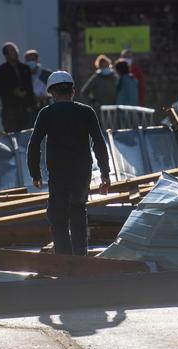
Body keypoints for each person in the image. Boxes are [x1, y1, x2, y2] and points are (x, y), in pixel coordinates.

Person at [27, 71, 111, 256]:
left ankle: (63, 260)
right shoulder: (86, 112)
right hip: (82, 173)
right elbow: (99, 143)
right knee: (79, 211)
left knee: (58, 216)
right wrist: (105, 173)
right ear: (73, 91)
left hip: (58, 173)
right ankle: (80, 258)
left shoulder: (47, 113)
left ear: (51, 93)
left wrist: (35, 174)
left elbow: (34, 144)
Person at [0, 42, 35, 133]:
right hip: (10, 111)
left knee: (26, 136)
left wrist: (30, 105)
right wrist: (13, 91)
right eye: (12, 51)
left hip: (24, 110)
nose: (15, 52)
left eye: (15, 50)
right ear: (6, 55)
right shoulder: (1, 70)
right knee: (12, 137)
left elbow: (29, 88)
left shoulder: (24, 68)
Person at [24, 49, 52, 126]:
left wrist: (45, 97)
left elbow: (53, 93)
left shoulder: (47, 74)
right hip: (28, 112)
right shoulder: (23, 75)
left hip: (43, 108)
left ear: (37, 60)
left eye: (32, 59)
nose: (30, 61)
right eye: (28, 60)